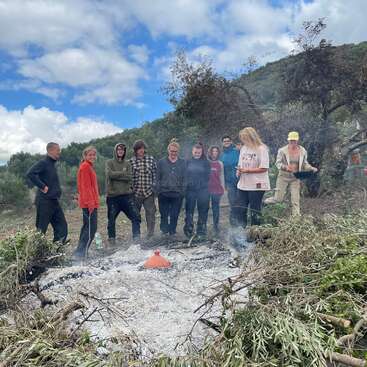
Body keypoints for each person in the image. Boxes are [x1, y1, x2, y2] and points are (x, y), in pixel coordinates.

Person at [264, 131, 317, 216]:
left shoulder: (302, 151)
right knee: (278, 199)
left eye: (294, 141)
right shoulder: (282, 150)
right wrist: (285, 167)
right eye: (291, 141)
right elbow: (278, 163)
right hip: (283, 177)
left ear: (297, 140)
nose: (292, 142)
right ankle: (265, 202)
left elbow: (304, 164)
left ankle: (296, 220)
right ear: (288, 140)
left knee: (295, 200)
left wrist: (311, 168)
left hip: (295, 178)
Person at [26, 142, 67, 243]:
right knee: (41, 230)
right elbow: (30, 173)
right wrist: (42, 186)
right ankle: (36, 256)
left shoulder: (52, 164)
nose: (59, 152)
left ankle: (57, 253)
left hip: (54, 201)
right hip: (44, 201)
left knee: (62, 228)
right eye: (58, 150)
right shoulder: (43, 163)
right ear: (50, 150)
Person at [105, 143, 141, 244]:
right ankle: (112, 241)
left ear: (124, 151)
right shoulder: (109, 162)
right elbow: (110, 175)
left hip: (126, 196)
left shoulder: (127, 163)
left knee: (136, 217)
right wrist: (122, 173)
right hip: (113, 197)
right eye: (118, 149)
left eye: (122, 150)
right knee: (111, 220)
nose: (120, 151)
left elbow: (129, 177)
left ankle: (137, 239)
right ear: (115, 151)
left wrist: (117, 175)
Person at [236, 127, 270, 227]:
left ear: (251, 137)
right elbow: (240, 164)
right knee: (241, 208)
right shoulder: (243, 148)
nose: (243, 141)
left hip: (257, 184)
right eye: (242, 138)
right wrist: (239, 171)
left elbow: (264, 168)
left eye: (245, 138)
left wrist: (248, 171)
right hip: (243, 184)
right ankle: (240, 233)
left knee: (254, 210)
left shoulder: (261, 149)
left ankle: (255, 233)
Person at [156, 139, 186, 237]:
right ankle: (164, 232)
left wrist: (182, 192)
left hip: (177, 194)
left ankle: (172, 232)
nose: (173, 153)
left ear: (178, 151)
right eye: (172, 151)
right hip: (164, 193)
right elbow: (157, 177)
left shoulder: (182, 162)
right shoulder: (161, 162)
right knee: (164, 215)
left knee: (174, 215)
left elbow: (185, 178)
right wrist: (159, 191)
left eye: (175, 151)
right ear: (168, 150)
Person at [73, 146, 99, 259]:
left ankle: (80, 252)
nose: (92, 156)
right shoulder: (85, 167)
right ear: (85, 156)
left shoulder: (89, 167)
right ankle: (81, 253)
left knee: (87, 227)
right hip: (89, 203)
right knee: (91, 229)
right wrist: (90, 203)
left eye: (94, 155)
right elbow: (85, 187)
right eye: (90, 155)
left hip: (90, 202)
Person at [129, 140, 157, 238]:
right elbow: (129, 177)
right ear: (135, 150)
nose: (141, 150)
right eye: (138, 149)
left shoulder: (151, 159)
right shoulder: (131, 161)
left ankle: (150, 234)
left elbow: (155, 174)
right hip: (136, 193)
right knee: (135, 215)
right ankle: (136, 235)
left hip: (148, 192)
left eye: (142, 148)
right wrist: (130, 189)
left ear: (144, 149)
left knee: (151, 213)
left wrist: (153, 186)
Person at [184, 143, 211, 239]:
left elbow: (208, 176)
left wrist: (202, 185)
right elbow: (184, 175)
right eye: (195, 152)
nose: (197, 154)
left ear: (201, 152)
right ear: (192, 151)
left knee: (203, 211)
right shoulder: (187, 162)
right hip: (190, 191)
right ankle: (188, 230)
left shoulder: (206, 162)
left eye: (199, 152)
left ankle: (201, 231)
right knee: (189, 211)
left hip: (203, 190)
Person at [220, 136, 240, 226]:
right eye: (224, 141)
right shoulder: (221, 155)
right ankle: (233, 222)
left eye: (228, 141)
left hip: (240, 180)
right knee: (232, 201)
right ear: (222, 143)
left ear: (231, 142)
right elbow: (221, 171)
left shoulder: (237, 151)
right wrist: (223, 184)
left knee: (240, 201)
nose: (226, 142)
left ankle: (241, 221)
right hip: (229, 182)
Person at [208, 146, 225, 235]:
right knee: (204, 208)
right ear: (210, 152)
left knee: (216, 208)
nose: (214, 153)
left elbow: (222, 176)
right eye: (213, 151)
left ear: (218, 153)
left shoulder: (220, 163)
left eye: (216, 151)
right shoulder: (206, 163)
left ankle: (216, 225)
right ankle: (203, 225)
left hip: (217, 189)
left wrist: (223, 187)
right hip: (206, 189)